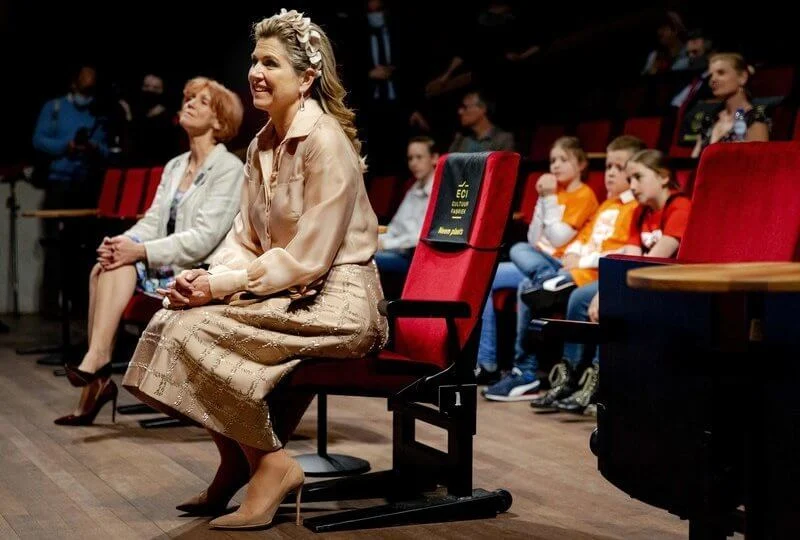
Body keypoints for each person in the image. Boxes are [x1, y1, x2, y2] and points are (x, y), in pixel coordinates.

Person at [122, 10, 388, 530]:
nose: (256, 72)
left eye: (271, 63)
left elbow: (310, 257)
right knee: (171, 321)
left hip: (341, 302)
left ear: (306, 78)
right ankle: (237, 462)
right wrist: (205, 279)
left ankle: (270, 465)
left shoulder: (326, 141)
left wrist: (221, 287)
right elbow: (244, 239)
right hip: (290, 291)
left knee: (196, 333)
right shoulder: (260, 145)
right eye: (254, 61)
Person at [56, 77, 245, 425]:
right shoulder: (175, 166)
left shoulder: (229, 169)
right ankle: (97, 366)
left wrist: (139, 251)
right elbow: (153, 221)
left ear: (219, 121)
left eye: (201, 102)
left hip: (199, 270)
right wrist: (122, 243)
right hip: (166, 263)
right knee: (107, 264)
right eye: (188, 98)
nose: (188, 103)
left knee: (117, 265)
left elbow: (203, 238)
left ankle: (96, 375)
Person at [533, 149, 691, 413]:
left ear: (663, 177)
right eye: (631, 179)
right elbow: (627, 262)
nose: (633, 186)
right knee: (581, 296)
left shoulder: (680, 207)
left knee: (611, 302)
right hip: (640, 281)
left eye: (639, 177)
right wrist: (604, 288)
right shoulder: (640, 212)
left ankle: (601, 380)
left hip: (669, 288)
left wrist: (608, 292)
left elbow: (652, 261)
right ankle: (570, 374)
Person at [476, 136, 598, 389]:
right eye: (553, 160)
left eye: (564, 160)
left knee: (518, 252)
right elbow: (534, 238)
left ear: (581, 164)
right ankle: (486, 362)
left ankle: (543, 281)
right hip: (536, 262)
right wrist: (543, 201)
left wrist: (549, 198)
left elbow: (558, 237)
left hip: (559, 265)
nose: (556, 165)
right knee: (483, 279)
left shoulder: (584, 195)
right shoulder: (552, 194)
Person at [32, 64, 110, 317]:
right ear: (73, 83)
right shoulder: (54, 108)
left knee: (85, 246)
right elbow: (39, 140)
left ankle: (81, 304)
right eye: (84, 85)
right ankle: (52, 307)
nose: (87, 92)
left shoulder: (98, 113)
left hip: (86, 184)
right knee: (56, 245)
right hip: (59, 184)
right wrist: (66, 146)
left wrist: (94, 148)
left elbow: (109, 148)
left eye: (92, 86)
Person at [375, 135, 439, 297]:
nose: (413, 163)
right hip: (398, 250)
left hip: (416, 258)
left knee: (368, 261)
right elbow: (396, 226)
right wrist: (375, 240)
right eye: (410, 158)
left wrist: (386, 243)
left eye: (419, 157)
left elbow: (422, 237)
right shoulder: (414, 189)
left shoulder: (439, 192)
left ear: (434, 158)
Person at [691, 53, 769, 157]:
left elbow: (757, 162)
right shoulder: (710, 118)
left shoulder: (754, 118)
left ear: (742, 77)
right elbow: (695, 159)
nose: (713, 80)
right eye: (711, 75)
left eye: (721, 73)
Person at [129, 73, 181, 166]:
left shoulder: (170, 117)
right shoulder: (133, 113)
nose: (150, 90)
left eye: (156, 88)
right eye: (146, 86)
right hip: (135, 165)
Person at [448, 90, 515, 153]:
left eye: (465, 107)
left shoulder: (503, 140)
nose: (460, 112)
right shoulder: (461, 140)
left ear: (483, 108)